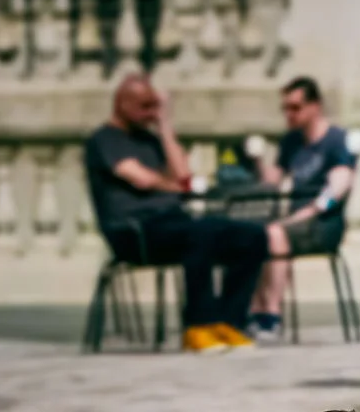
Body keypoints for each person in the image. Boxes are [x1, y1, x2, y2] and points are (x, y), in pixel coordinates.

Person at [83, 73, 268, 353]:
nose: (151, 114)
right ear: (122, 104)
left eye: (155, 107)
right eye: (146, 107)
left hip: (171, 223)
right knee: (199, 234)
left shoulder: (150, 138)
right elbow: (140, 178)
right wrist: (173, 187)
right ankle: (198, 325)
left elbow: (183, 175)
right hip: (134, 230)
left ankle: (229, 322)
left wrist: (166, 127)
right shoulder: (104, 139)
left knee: (252, 235)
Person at [246, 77, 358, 340]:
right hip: (294, 221)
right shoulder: (291, 142)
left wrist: (310, 211)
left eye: (295, 107)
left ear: (315, 106)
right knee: (251, 233)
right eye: (285, 108)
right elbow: (272, 181)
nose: (289, 114)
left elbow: (338, 189)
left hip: (324, 223)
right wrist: (258, 160)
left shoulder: (336, 140)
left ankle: (271, 316)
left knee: (275, 233)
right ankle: (253, 309)